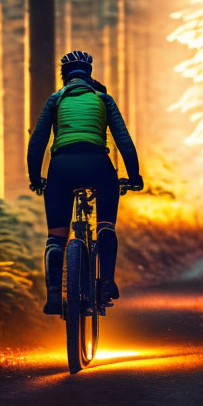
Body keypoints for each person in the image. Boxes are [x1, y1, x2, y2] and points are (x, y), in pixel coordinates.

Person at [27, 50, 143, 315]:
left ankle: (54, 296)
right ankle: (107, 284)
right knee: (105, 225)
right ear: (88, 74)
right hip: (97, 165)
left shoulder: (55, 100)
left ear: (65, 76)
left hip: (62, 168)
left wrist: (36, 178)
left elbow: (38, 143)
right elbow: (123, 141)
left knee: (55, 237)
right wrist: (134, 177)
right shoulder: (102, 98)